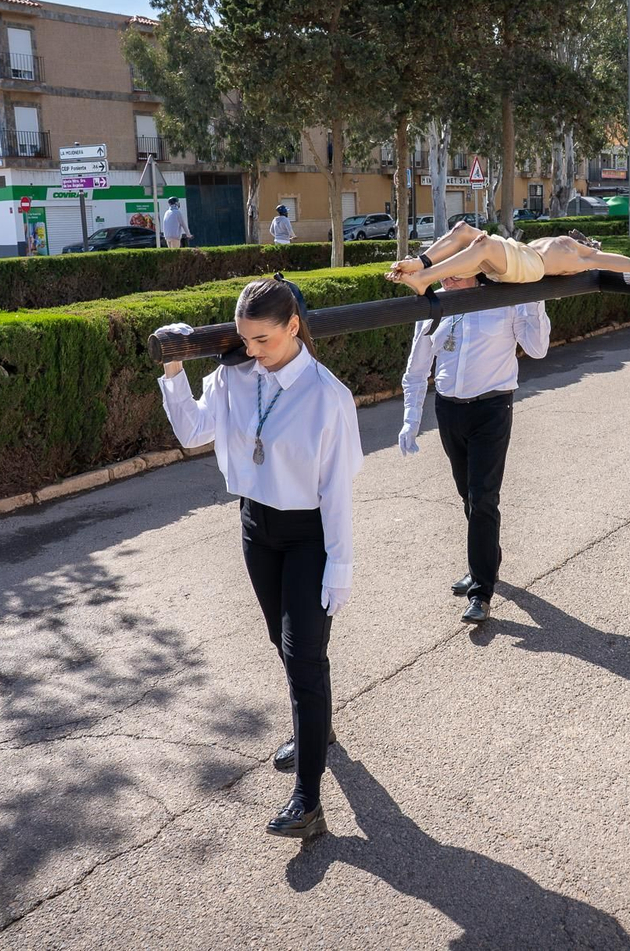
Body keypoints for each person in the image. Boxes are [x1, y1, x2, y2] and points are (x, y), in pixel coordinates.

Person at [156, 276, 363, 840]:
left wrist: (340, 566)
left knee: (303, 656)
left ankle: (308, 802)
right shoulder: (235, 374)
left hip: (308, 536)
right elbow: (192, 432)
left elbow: (337, 493)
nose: (252, 350)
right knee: (285, 643)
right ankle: (316, 727)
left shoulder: (327, 396)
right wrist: (174, 368)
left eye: (263, 340)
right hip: (255, 528)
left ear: (294, 326)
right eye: (244, 339)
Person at [398, 268, 550, 624]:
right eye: (442, 272)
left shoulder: (504, 298)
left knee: (483, 498)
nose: (446, 279)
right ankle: (485, 560)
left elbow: (538, 348)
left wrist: (533, 297)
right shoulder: (434, 303)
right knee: (468, 496)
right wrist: (410, 418)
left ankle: (481, 591)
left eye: (456, 272)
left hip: (491, 408)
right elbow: (417, 367)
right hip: (449, 410)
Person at [384, 221, 630, 293]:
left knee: (482, 244)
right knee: (464, 229)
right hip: (517, 253)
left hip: (530, 267)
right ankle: (420, 262)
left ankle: (424, 279)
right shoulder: (561, 241)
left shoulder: (588, 258)